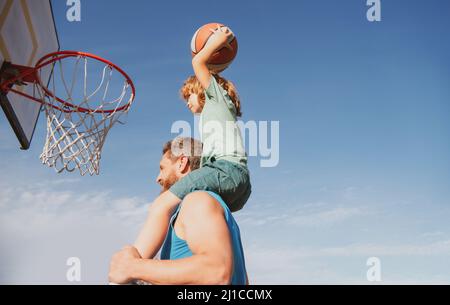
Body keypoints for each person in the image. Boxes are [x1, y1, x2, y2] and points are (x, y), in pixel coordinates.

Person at [133, 25, 251, 260]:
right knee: (192, 209)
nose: (188, 102)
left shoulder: (216, 99)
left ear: (203, 91)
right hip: (239, 189)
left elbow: (199, 65)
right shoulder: (215, 117)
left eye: (190, 95)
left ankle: (132, 266)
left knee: (161, 205)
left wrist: (215, 42)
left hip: (226, 171)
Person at [109, 138, 248, 285]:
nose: (158, 178)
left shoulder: (198, 200)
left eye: (162, 168)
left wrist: (132, 267)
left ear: (182, 163)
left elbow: (217, 271)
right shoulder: (217, 212)